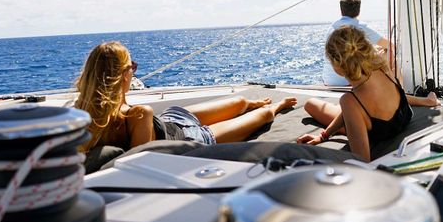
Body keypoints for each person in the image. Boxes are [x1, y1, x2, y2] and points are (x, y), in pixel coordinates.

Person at [74, 41, 297, 152]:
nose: (134, 71)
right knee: (264, 115)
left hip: (170, 119)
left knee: (240, 102)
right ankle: (277, 105)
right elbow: (146, 158)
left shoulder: (78, 114)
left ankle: (250, 102)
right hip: (188, 135)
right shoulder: (139, 114)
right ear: (123, 75)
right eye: (132, 66)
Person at [299, 26, 438, 161]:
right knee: (362, 104)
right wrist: (324, 135)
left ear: (337, 67)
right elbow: (395, 94)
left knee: (310, 104)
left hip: (380, 132)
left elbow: (362, 159)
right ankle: (427, 101)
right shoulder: (383, 67)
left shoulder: (349, 101)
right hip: (403, 118)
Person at [322, 0, 392, 86]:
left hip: (329, 82)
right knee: (386, 51)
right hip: (349, 82)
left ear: (341, 10)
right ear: (359, 10)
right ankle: (393, 84)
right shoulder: (361, 26)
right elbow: (389, 45)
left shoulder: (331, 27)